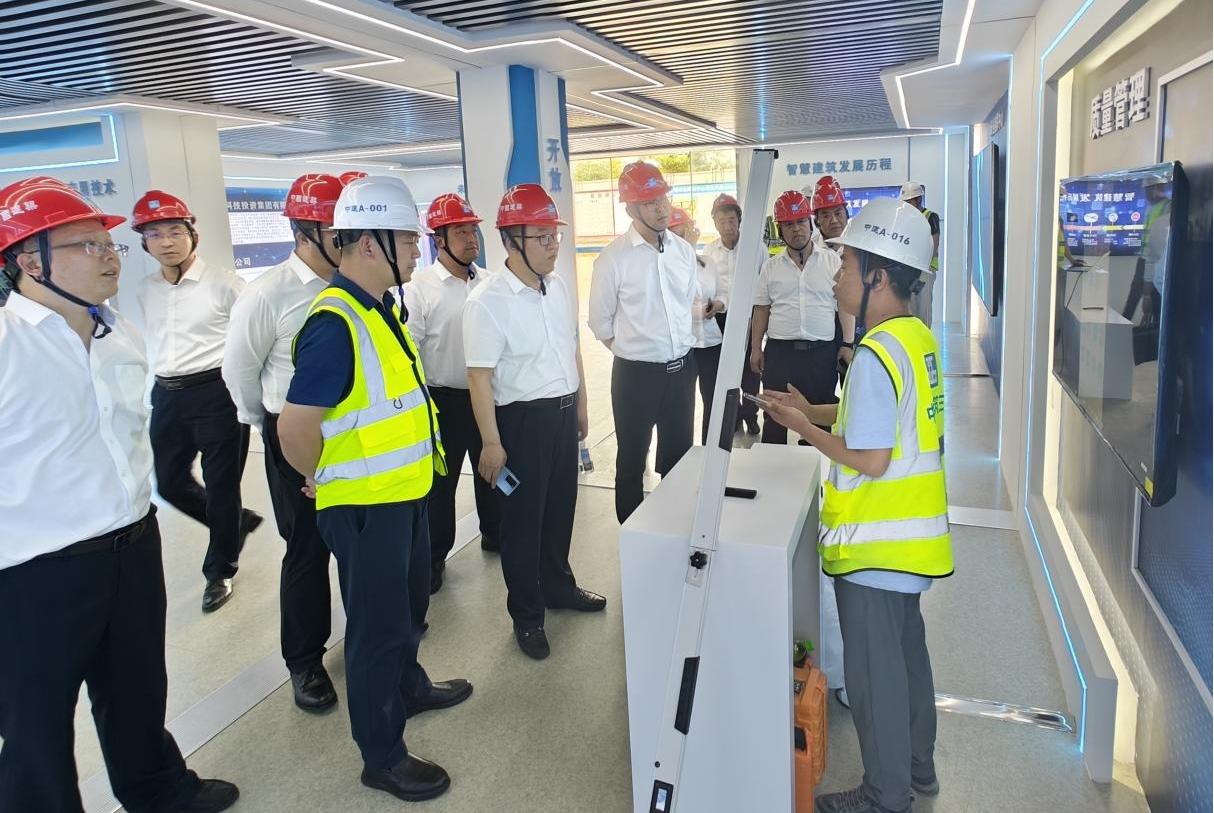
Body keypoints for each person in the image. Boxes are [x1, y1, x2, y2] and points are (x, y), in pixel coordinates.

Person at [0, 176, 239, 813]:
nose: (110, 256)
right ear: (30, 261)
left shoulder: (120, 334)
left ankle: (158, 789)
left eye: (109, 244)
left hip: (132, 542)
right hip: (35, 569)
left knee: (137, 684)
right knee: (36, 720)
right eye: (87, 245)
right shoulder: (6, 343)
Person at [277, 176, 471, 802]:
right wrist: (319, 475)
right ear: (368, 244)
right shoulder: (334, 323)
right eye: (407, 240)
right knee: (377, 630)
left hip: (403, 495)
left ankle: (407, 687)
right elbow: (295, 426)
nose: (417, 250)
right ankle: (381, 755)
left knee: (407, 610)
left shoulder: (378, 308)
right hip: (366, 507)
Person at [764, 196, 953, 813]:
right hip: (911, 545)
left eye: (847, 263)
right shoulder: (912, 339)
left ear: (878, 275)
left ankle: (885, 797)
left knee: (876, 679)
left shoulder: (872, 354)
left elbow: (869, 457)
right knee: (908, 659)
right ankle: (918, 770)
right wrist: (810, 410)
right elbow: (868, 418)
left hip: (876, 544)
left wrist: (805, 430)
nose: (837, 274)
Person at [463, 183, 604, 659]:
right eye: (541, 237)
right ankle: (527, 616)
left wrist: (581, 404)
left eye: (554, 235)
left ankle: (559, 587)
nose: (552, 245)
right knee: (523, 524)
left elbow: (571, 347)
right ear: (510, 241)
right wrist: (491, 442)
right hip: (520, 425)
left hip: (562, 417)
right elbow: (479, 378)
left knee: (561, 509)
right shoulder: (486, 301)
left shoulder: (557, 286)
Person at [222, 173, 344, 712]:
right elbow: (240, 372)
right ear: (304, 231)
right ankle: (305, 660)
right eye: (336, 230)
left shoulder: (354, 286)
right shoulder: (268, 294)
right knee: (308, 549)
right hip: (294, 437)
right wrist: (268, 428)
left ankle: (373, 635)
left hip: (353, 435)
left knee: (359, 540)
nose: (348, 239)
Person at [132, 189, 260, 613]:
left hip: (217, 393)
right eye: (154, 234)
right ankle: (234, 524)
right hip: (167, 395)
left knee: (222, 486)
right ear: (143, 242)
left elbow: (251, 340)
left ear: (192, 234)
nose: (166, 242)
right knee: (169, 482)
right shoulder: (145, 289)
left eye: (174, 231)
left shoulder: (225, 284)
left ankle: (220, 569)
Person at [589, 161, 699, 523]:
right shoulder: (613, 259)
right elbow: (600, 322)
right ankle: (632, 531)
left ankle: (673, 526)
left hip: (682, 371)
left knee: (679, 455)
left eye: (663, 199)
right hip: (635, 376)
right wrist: (635, 352)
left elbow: (686, 304)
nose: (662, 209)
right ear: (631, 209)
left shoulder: (683, 252)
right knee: (632, 458)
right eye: (650, 202)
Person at [404, 192, 502, 595]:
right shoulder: (419, 288)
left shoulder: (490, 282)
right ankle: (434, 557)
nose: (470, 239)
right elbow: (411, 351)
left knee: (493, 470)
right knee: (440, 486)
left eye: (472, 230)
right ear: (439, 239)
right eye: (460, 232)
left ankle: (495, 532)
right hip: (441, 400)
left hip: (485, 396)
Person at [750, 191, 842, 443]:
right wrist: (756, 348)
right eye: (788, 224)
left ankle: (816, 464)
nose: (796, 229)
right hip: (780, 355)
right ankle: (773, 466)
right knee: (774, 415)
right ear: (780, 230)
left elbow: (843, 307)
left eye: (801, 221)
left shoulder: (832, 261)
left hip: (820, 354)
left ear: (811, 223)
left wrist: (846, 344)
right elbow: (762, 309)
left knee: (819, 419)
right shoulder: (770, 268)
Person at [704, 193, 762, 436]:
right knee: (726, 372)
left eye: (731, 220)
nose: (727, 226)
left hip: (748, 320)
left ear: (739, 220)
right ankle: (734, 415)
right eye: (721, 221)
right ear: (715, 223)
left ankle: (751, 415)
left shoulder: (755, 248)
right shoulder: (709, 252)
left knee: (750, 372)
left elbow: (763, 284)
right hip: (720, 319)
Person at [668, 207, 726, 443]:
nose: (682, 240)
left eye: (685, 234)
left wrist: (718, 305)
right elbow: (678, 297)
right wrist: (688, 248)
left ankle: (710, 450)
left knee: (714, 401)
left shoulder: (708, 263)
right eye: (676, 236)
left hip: (711, 342)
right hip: (684, 346)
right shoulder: (666, 268)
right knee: (681, 405)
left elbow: (722, 292)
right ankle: (681, 453)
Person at [813, 176, 858, 381]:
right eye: (826, 215)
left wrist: (849, 342)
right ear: (816, 220)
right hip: (823, 330)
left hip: (856, 327)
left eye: (838, 213)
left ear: (846, 213)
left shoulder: (859, 247)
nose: (834, 220)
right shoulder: (810, 251)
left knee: (854, 385)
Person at [898, 181, 939, 327]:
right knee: (911, 308)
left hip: (924, 270)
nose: (906, 206)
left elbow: (934, 244)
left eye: (909, 202)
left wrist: (921, 264)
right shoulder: (905, 218)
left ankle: (924, 337)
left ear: (918, 200)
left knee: (923, 308)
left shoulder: (930, 217)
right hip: (908, 269)